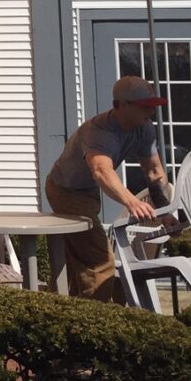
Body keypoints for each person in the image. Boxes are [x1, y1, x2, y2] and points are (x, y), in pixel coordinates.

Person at [45, 75, 171, 302]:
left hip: (87, 192)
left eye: (152, 107)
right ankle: (96, 320)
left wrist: (166, 212)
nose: (150, 112)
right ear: (122, 105)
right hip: (65, 191)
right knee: (99, 260)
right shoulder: (100, 133)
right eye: (145, 107)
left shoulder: (143, 128)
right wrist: (131, 202)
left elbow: (154, 171)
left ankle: (64, 305)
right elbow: (102, 171)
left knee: (78, 256)